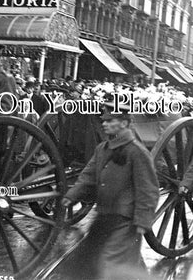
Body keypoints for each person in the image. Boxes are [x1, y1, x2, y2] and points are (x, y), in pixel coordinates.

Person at [60, 104, 159, 280]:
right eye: (103, 120)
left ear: (124, 123)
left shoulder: (137, 152)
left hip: (125, 220)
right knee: (95, 260)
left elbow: (148, 190)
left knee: (108, 263)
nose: (104, 124)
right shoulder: (102, 149)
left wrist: (143, 222)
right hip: (104, 216)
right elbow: (88, 175)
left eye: (109, 120)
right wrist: (72, 195)